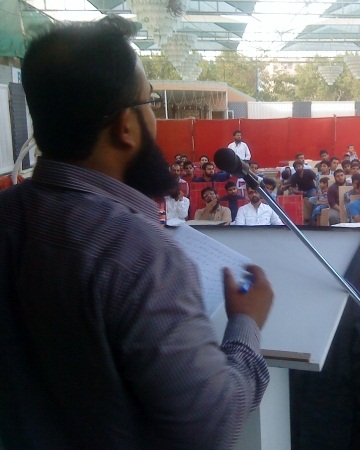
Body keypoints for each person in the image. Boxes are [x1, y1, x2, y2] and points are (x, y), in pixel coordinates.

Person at [0, 16, 273, 449]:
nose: (154, 116)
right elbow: (213, 425)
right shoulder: (142, 255)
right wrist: (246, 323)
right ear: (125, 126)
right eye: (150, 100)